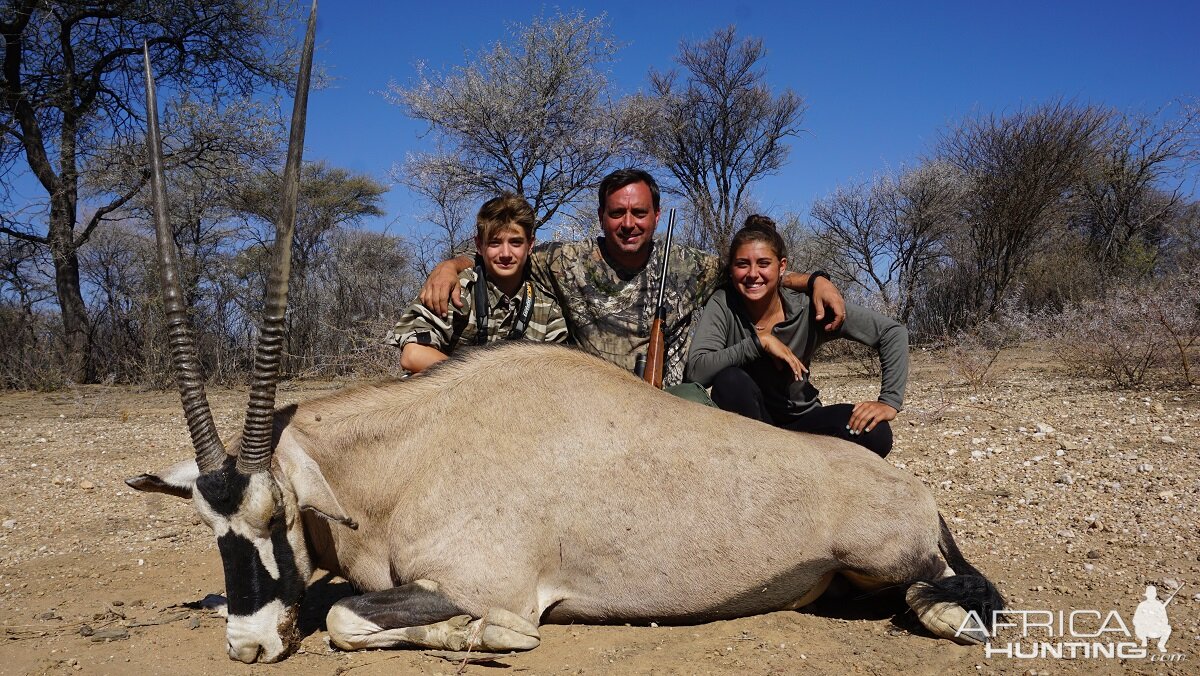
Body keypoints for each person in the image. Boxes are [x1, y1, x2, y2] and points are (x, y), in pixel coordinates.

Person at [419, 169, 847, 393]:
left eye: (639, 213)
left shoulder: (688, 263)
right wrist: (451, 266)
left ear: (656, 216)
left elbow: (752, 274)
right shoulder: (565, 259)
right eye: (617, 214)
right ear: (602, 217)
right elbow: (503, 255)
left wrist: (814, 281)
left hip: (669, 400)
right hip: (593, 400)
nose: (628, 223)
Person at [685, 215, 908, 457]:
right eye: (742, 264)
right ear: (731, 269)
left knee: (877, 433)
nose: (752, 274)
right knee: (729, 381)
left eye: (763, 263)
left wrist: (889, 401)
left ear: (782, 267)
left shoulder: (810, 308)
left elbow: (891, 332)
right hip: (751, 426)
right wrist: (758, 343)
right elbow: (696, 371)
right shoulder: (723, 303)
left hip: (803, 421)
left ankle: (787, 461)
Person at [386, 193, 568, 373]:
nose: (505, 253)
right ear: (479, 245)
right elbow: (413, 354)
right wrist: (488, 382)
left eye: (515, 242)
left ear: (530, 245)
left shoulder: (548, 308)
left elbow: (556, 373)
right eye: (495, 243)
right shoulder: (457, 289)